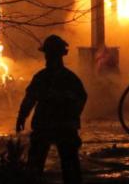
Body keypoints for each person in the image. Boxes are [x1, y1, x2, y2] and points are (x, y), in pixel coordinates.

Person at [16, 35, 87, 184]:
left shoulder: (43, 77)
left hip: (48, 125)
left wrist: (22, 117)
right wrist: (73, 116)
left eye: (50, 54)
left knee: (37, 166)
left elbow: (30, 99)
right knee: (69, 167)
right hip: (61, 126)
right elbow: (81, 98)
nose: (49, 57)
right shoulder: (70, 78)